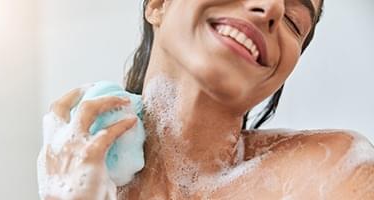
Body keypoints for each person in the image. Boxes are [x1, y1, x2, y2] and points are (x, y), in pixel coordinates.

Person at [38, 0, 374, 199]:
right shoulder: (83, 176)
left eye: (293, 21)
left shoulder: (332, 175)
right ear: (158, 4)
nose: (271, 6)